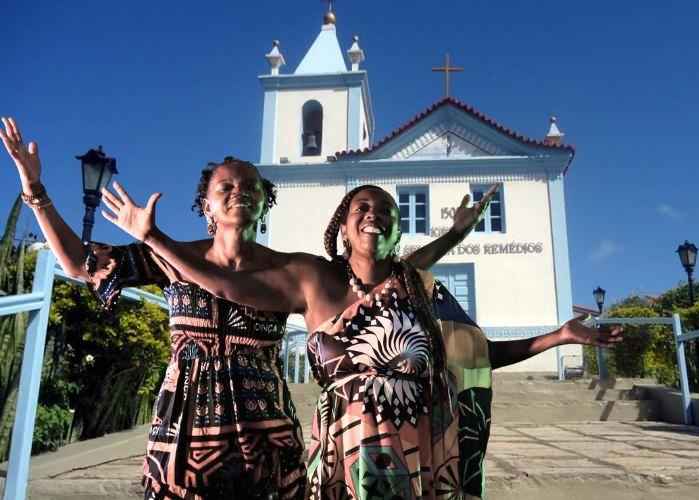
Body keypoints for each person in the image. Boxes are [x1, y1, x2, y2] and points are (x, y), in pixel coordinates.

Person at [0, 117, 493, 500]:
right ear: (207, 206)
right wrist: (36, 191)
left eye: (250, 187)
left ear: (264, 202)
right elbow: (83, 264)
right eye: (226, 188)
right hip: (184, 430)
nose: (239, 192)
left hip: (266, 434)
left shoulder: (292, 269)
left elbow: (380, 274)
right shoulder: (172, 257)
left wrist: (451, 237)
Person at [98, 178, 623, 498]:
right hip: (346, 451)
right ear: (342, 229)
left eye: (388, 213)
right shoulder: (314, 279)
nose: (375, 217)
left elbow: (475, 356)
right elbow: (231, 283)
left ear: (398, 233)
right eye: (362, 210)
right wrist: (153, 238)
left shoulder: (414, 290)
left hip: (418, 451)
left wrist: (557, 335)